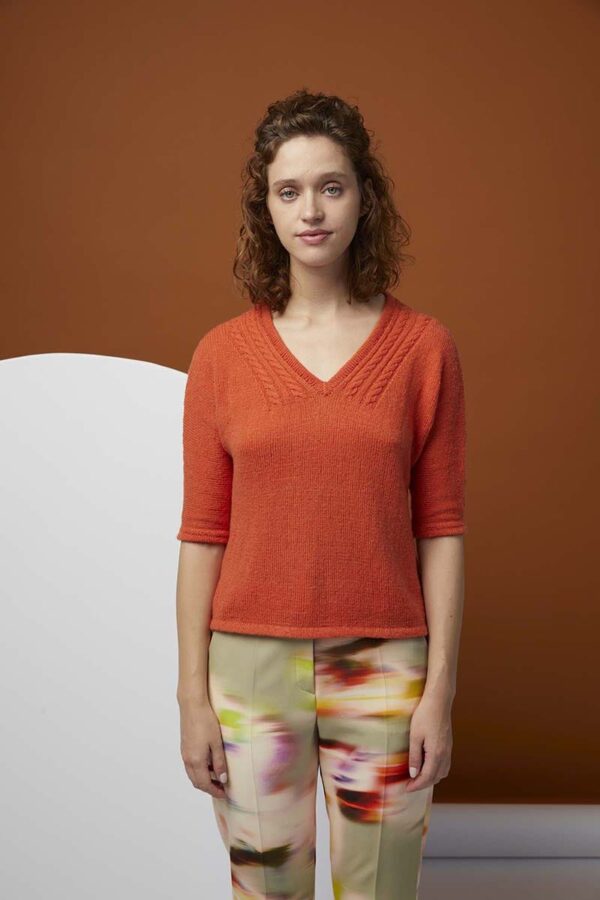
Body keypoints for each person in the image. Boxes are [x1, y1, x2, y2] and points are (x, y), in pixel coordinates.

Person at [175, 88, 466, 899]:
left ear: (364, 197)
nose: (311, 211)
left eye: (331, 187)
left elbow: (441, 530)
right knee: (267, 889)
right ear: (264, 207)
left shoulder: (424, 350)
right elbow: (202, 534)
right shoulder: (222, 357)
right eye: (289, 190)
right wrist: (191, 694)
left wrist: (440, 690)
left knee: (382, 890)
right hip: (249, 672)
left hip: (386, 670)